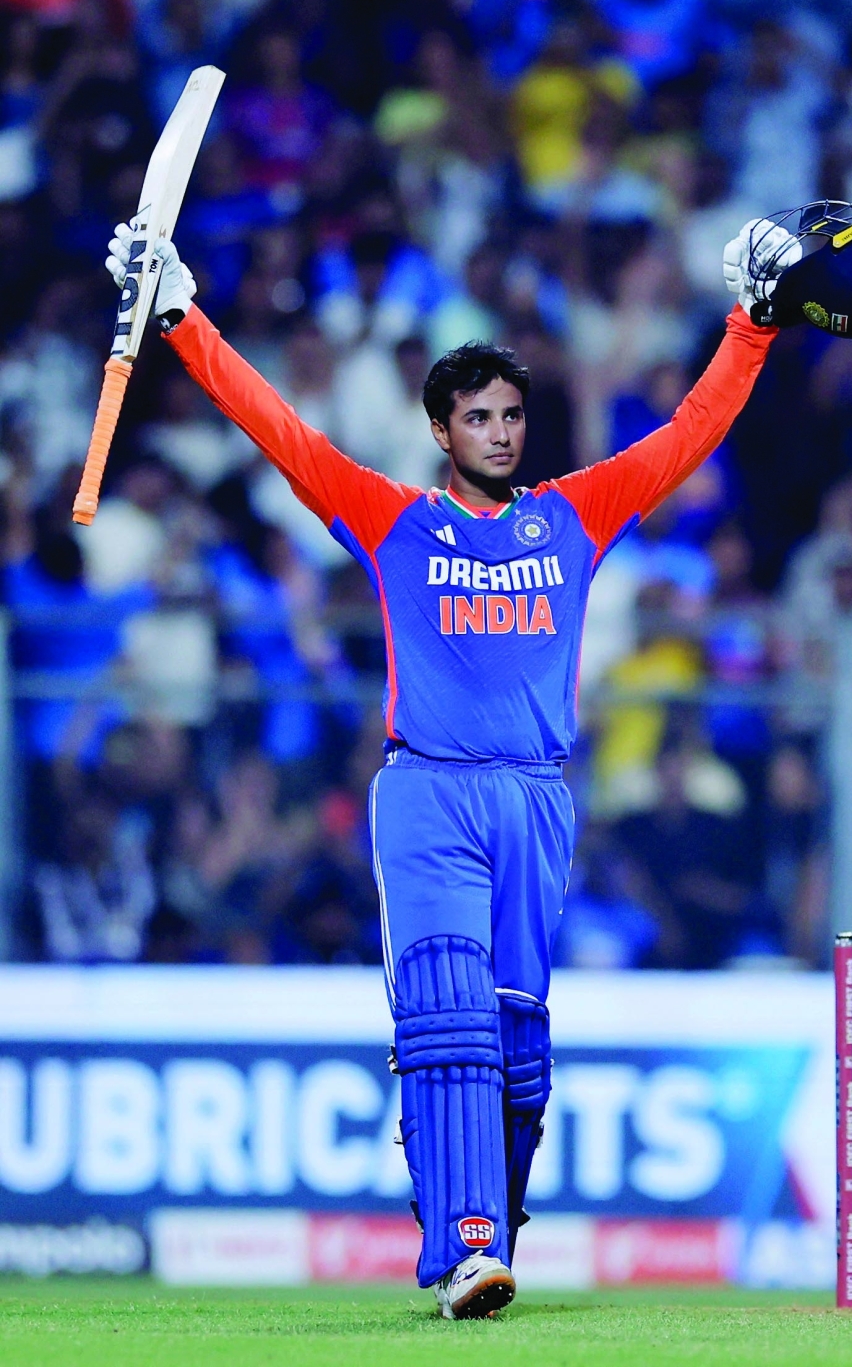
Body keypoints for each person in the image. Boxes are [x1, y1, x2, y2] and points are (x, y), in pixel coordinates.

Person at [102, 213, 786, 1318]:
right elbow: (279, 431)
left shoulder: (573, 517)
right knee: (447, 1012)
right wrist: (179, 315)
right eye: (480, 417)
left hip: (535, 797)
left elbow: (687, 435)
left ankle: (489, 1232)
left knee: (516, 1032)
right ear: (439, 429)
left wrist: (750, 325)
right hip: (427, 792)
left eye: (514, 415)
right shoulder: (394, 524)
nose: (503, 433)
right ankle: (461, 1247)